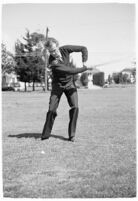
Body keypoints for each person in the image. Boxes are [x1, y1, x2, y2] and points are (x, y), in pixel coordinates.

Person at [41, 38, 92, 142]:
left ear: (58, 46)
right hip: (57, 86)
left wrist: (84, 61)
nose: (53, 53)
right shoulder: (52, 62)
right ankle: (46, 134)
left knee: (75, 107)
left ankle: (72, 135)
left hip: (70, 84)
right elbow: (70, 71)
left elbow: (83, 48)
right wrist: (84, 69)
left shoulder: (65, 49)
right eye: (50, 51)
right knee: (51, 109)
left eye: (54, 50)